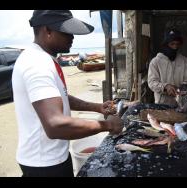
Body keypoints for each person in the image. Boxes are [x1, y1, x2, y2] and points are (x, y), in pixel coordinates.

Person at [12, 10, 123, 177]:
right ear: (47, 30)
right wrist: (107, 125)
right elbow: (55, 125)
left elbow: (61, 97)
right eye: (66, 32)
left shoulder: (44, 58)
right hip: (44, 165)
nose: (72, 37)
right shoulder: (37, 64)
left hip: (54, 157)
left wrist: (97, 107)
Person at [148, 29, 187, 107]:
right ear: (166, 44)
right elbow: (152, 82)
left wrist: (183, 87)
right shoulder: (155, 62)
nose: (175, 47)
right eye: (172, 44)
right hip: (162, 104)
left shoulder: (184, 61)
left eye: (177, 44)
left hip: (180, 104)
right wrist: (165, 87)